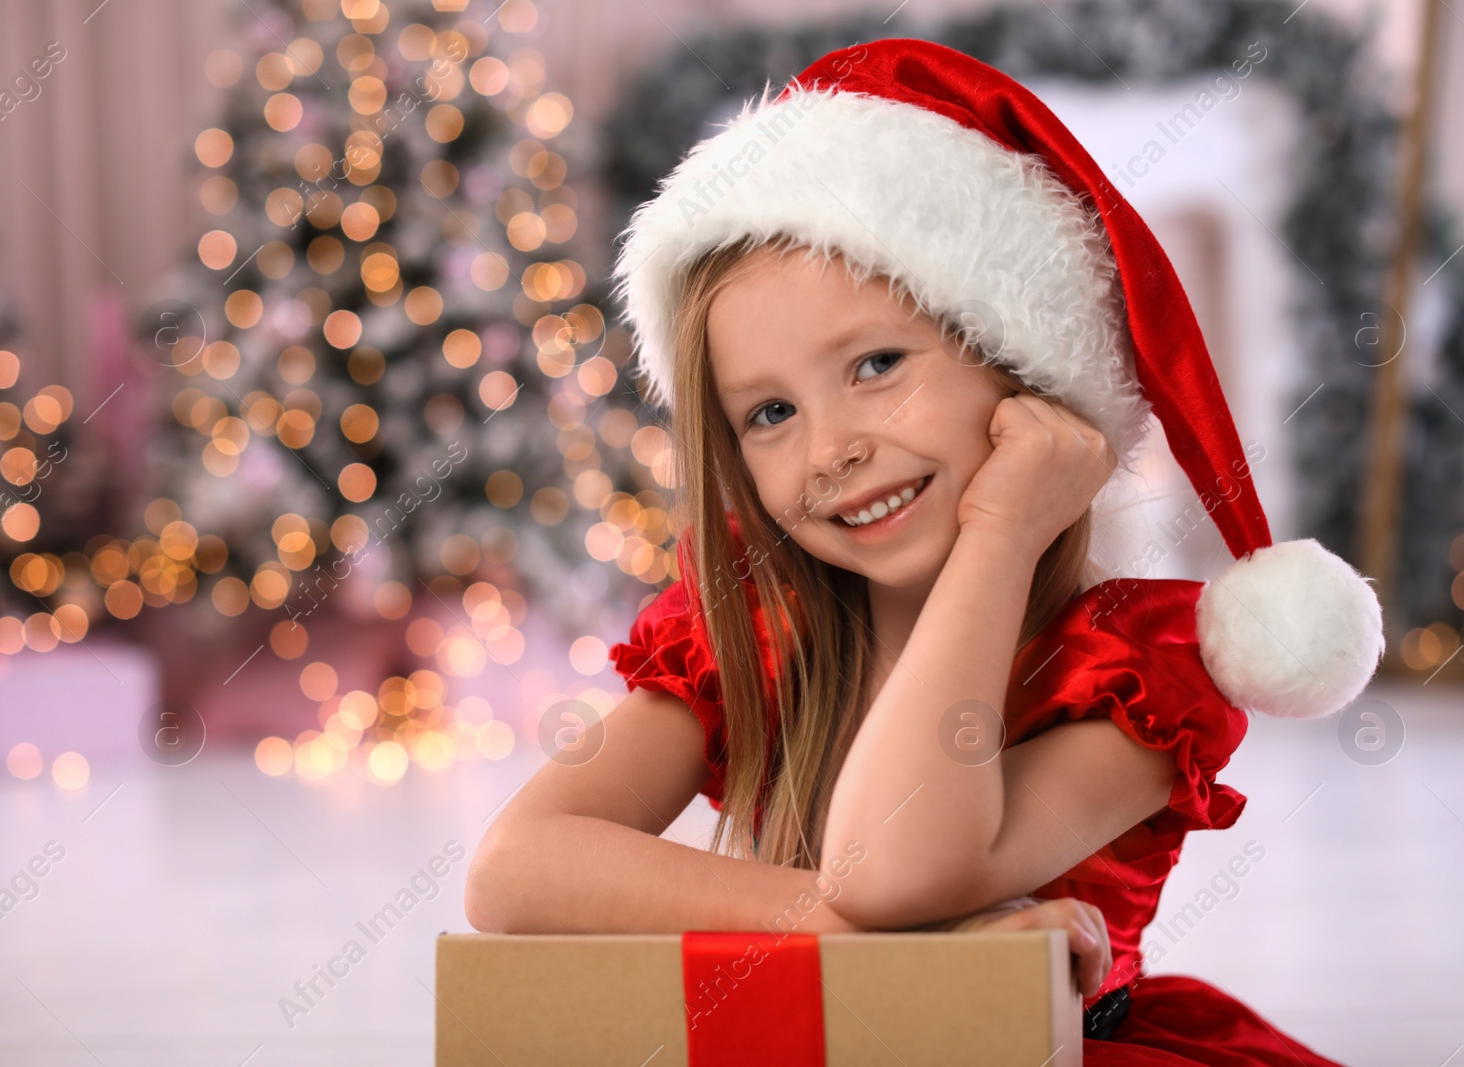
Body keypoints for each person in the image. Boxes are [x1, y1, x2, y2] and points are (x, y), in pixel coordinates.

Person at [465, 38, 1385, 1066]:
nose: (829, 448)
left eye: (876, 364)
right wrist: (896, 946)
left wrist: (999, 538)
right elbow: (513, 870)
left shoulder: (1135, 678)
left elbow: (891, 865)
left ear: (1022, 371)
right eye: (769, 411)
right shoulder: (754, 628)